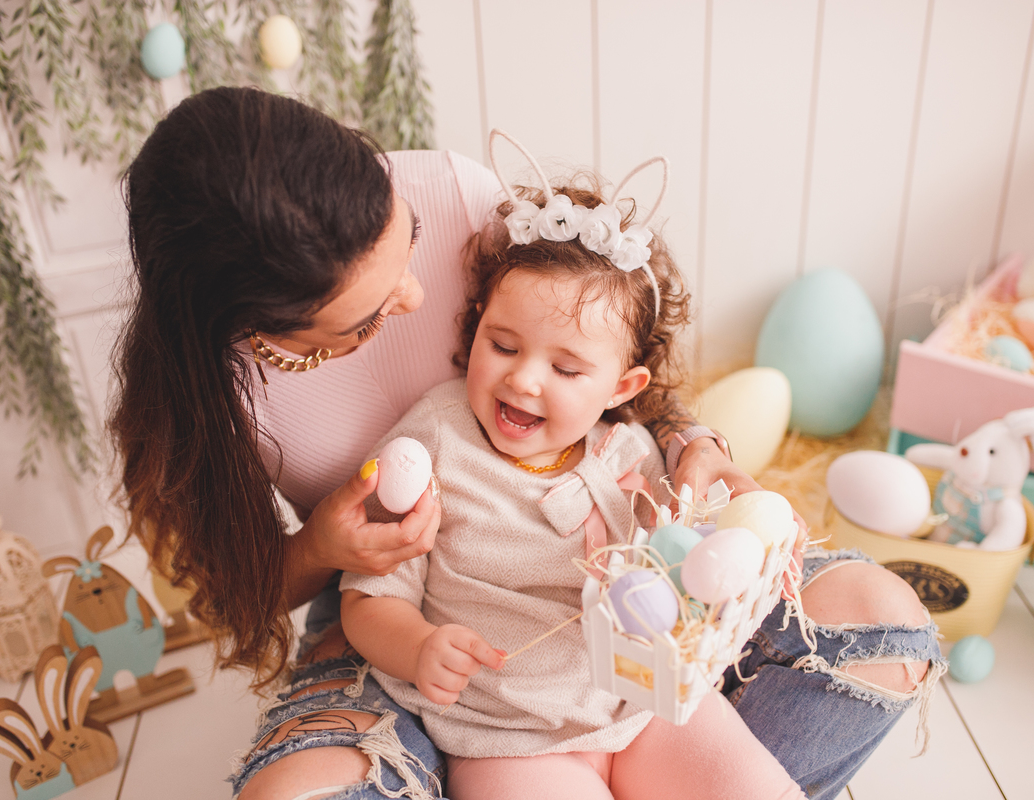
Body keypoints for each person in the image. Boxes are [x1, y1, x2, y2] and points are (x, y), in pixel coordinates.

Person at [109, 87, 942, 800]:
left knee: (876, 641)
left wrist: (705, 473)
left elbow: (617, 351)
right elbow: (258, 599)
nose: (419, 293)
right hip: (482, 700)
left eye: (409, 238)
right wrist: (330, 547)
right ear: (264, 335)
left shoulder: (610, 428)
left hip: (631, 692)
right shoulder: (411, 433)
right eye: (363, 318)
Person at [340, 133, 808, 800]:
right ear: (476, 326)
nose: (525, 380)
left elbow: (691, 556)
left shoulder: (631, 452)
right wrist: (416, 646)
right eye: (502, 345)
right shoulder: (436, 441)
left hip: (644, 709)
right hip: (510, 738)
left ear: (621, 388)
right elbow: (366, 595)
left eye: (566, 368)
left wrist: (748, 551)